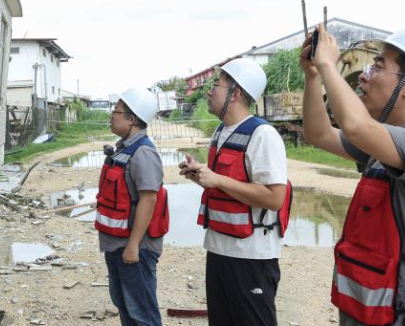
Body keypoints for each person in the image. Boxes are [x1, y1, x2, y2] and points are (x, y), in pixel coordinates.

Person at [301, 25, 405, 326]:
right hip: (366, 311)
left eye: (377, 67)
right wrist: (313, 75)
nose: (363, 74)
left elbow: (356, 126)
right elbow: (319, 133)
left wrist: (327, 64)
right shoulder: (380, 148)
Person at [179, 58, 290, 326]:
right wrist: (201, 177)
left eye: (216, 84)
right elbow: (226, 185)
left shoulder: (263, 135)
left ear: (236, 93)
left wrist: (217, 180)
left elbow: (275, 198)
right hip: (219, 250)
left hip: (250, 256)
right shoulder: (221, 132)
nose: (208, 91)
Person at [96, 88, 169, 326]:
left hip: (135, 249)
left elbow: (149, 199)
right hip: (117, 245)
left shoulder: (143, 153)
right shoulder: (125, 149)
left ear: (132, 119)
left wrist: (134, 245)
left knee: (142, 314)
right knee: (125, 307)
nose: (111, 116)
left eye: (116, 112)